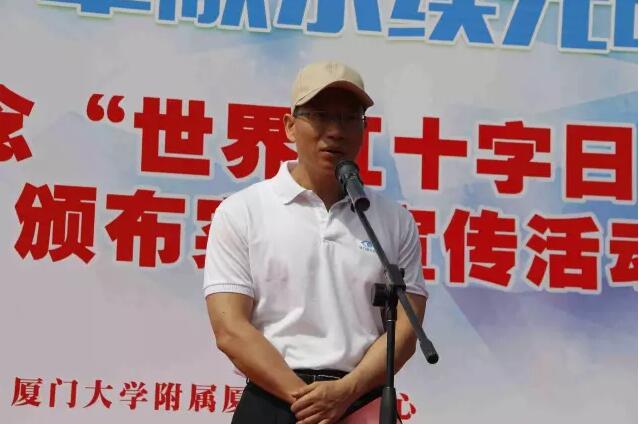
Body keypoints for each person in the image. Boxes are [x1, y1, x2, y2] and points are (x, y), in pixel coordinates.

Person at [203, 61, 428, 424]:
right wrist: (311, 402)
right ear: (290, 126)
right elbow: (230, 329)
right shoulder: (243, 211)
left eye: (350, 118)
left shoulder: (392, 220)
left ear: (364, 129)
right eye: (321, 116)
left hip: (361, 401)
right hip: (273, 400)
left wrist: (346, 392)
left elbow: (406, 327)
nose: (336, 131)